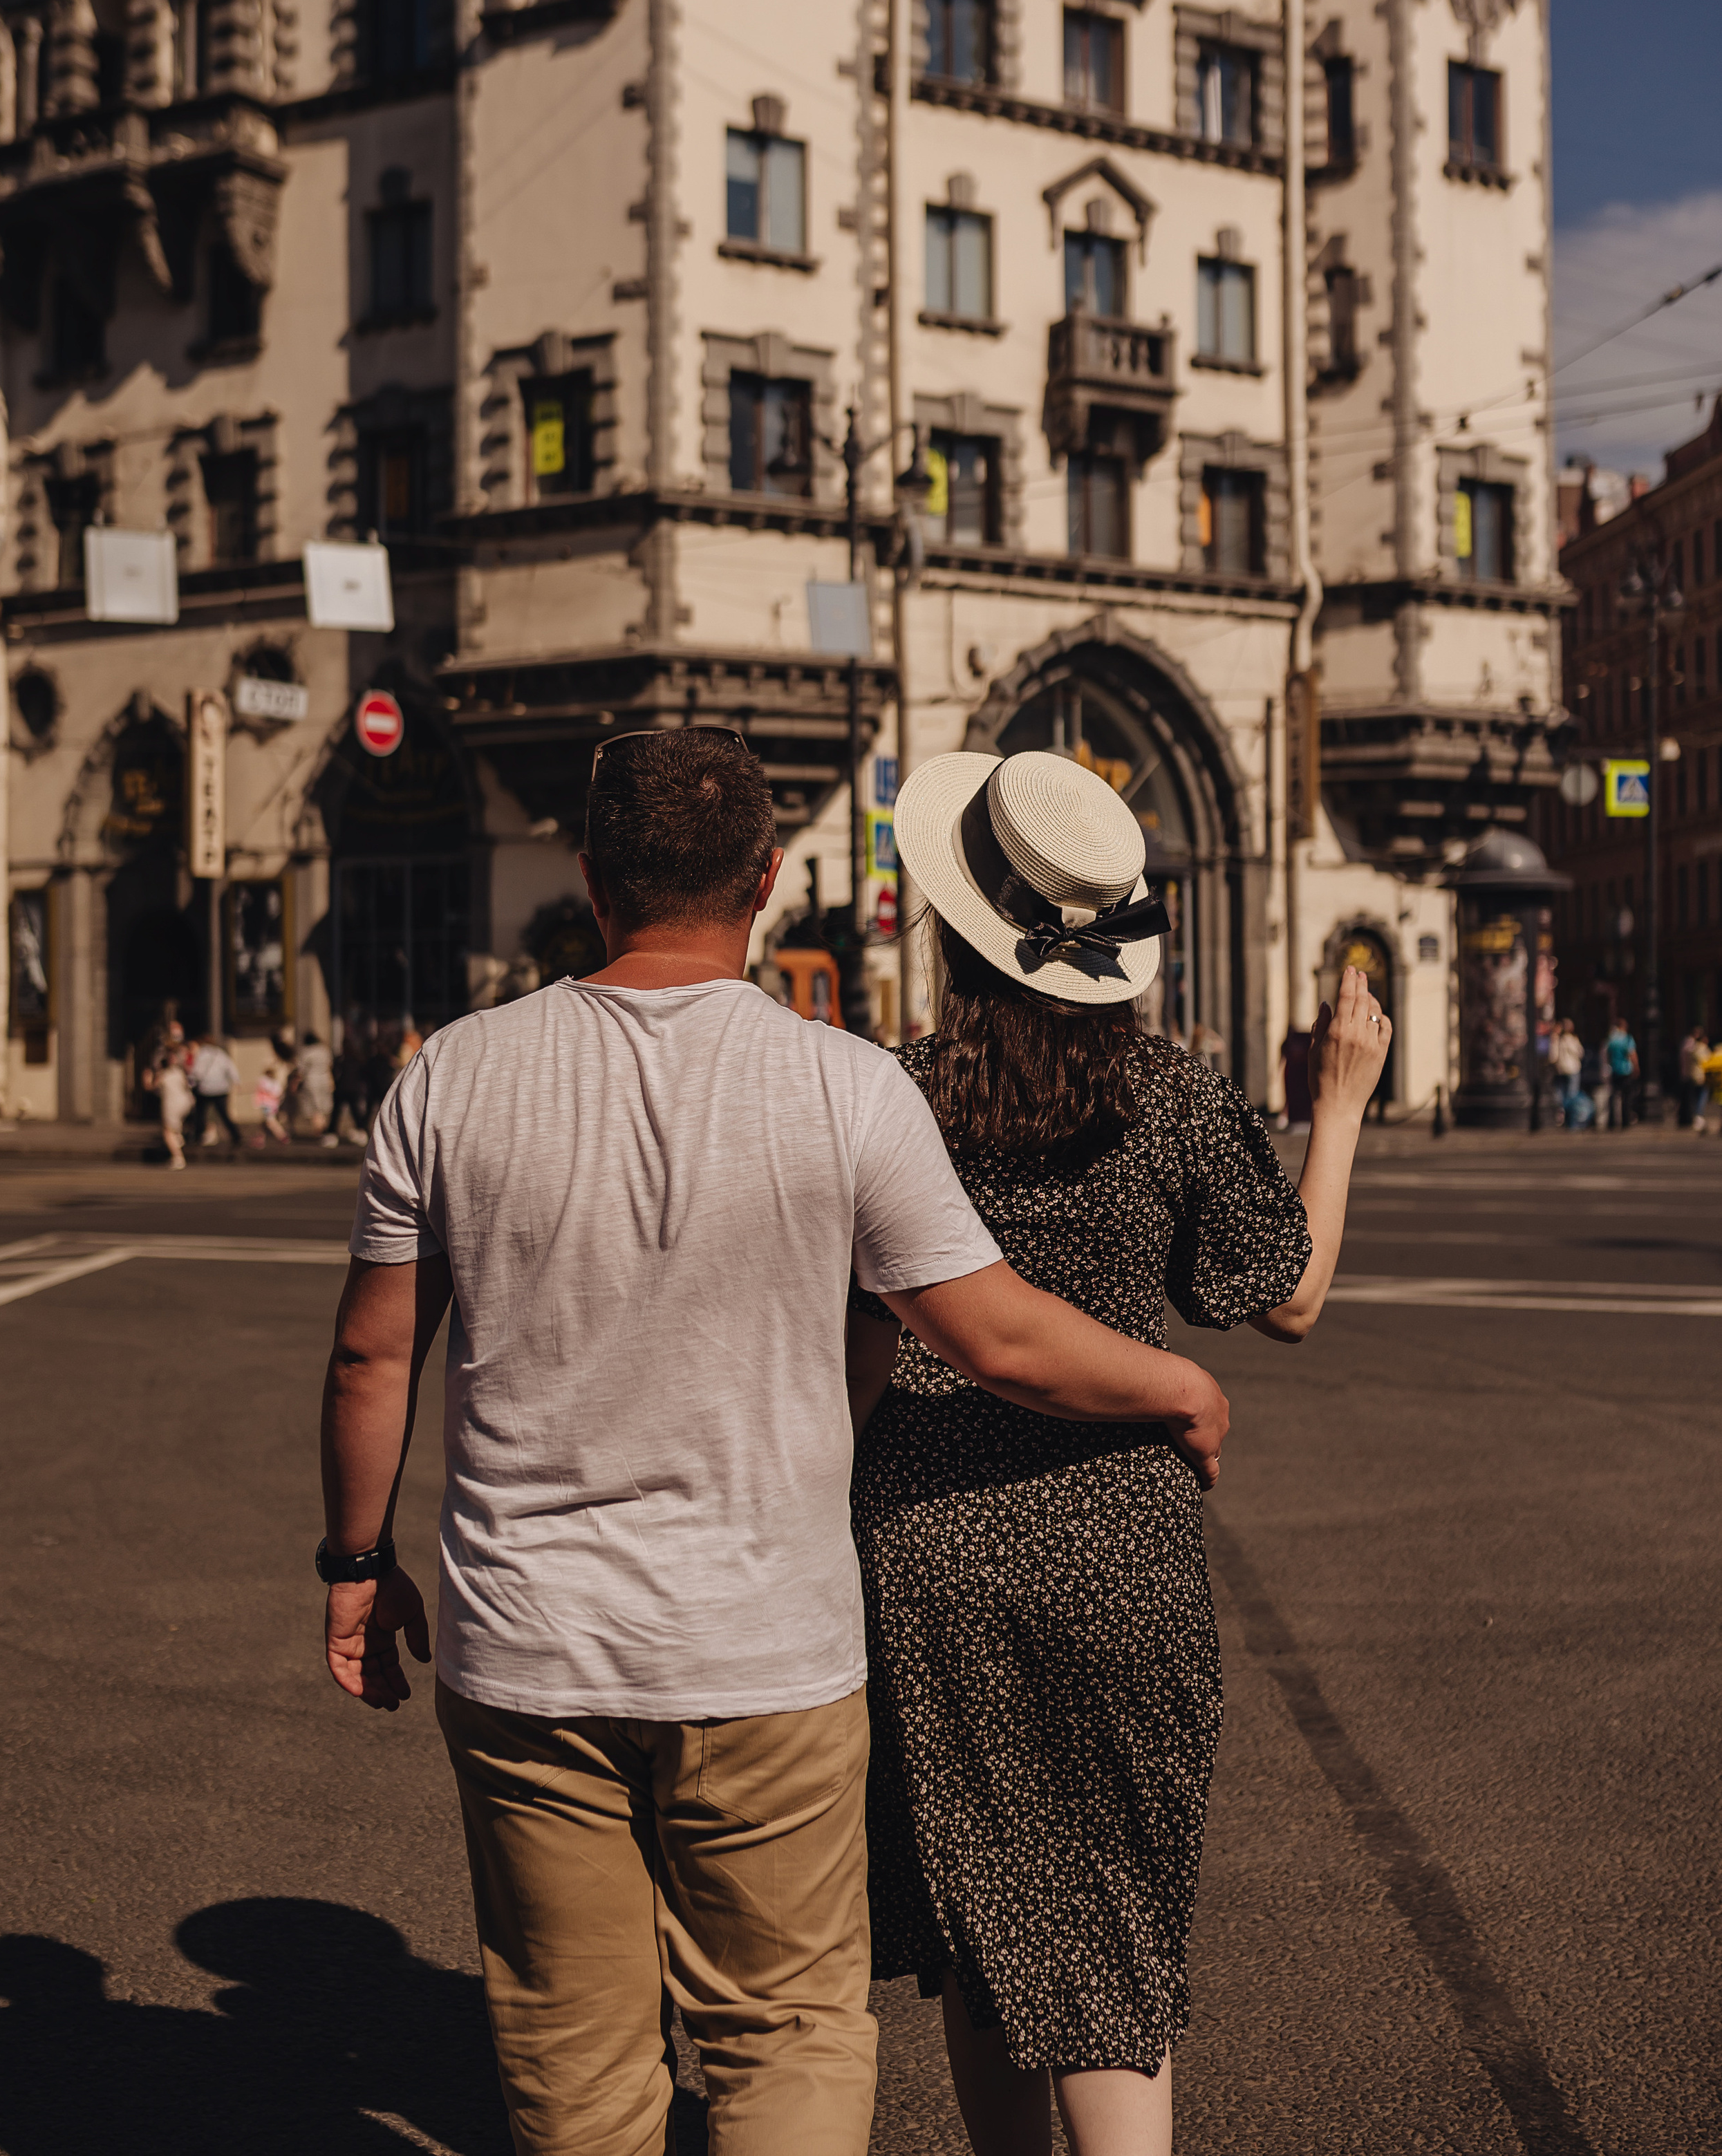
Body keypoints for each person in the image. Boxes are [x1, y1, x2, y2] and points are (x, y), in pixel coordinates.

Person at [317, 729, 1242, 2156]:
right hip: (768, 1658)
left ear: (588, 881)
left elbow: (373, 1353)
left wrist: (357, 1563)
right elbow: (986, 1333)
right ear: (763, 882)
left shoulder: (449, 1078)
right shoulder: (844, 1088)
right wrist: (1175, 1390)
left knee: (577, 2060)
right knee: (786, 2033)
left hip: (529, 1653)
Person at [850, 749, 1390, 2156]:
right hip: (1119, 1553)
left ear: (954, 924)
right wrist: (1336, 1105)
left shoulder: (889, 1098)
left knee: (983, 1914)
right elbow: (1286, 1295)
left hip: (926, 1548)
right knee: (1109, 1926)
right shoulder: (1166, 1098)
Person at [188, 1033, 241, 1150]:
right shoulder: (220, 1053)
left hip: (205, 1089)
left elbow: (198, 1072)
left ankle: (198, 1136)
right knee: (224, 1114)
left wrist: (191, 1082)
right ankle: (236, 1135)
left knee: (200, 1114)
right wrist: (237, 1081)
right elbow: (231, 1067)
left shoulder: (202, 1054)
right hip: (221, 1088)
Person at [152, 1041, 193, 1170]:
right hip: (186, 1101)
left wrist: (148, 1079)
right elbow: (188, 1084)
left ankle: (178, 1157)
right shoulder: (180, 1072)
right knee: (174, 1128)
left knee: (167, 1131)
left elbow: (153, 1087)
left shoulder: (164, 1074)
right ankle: (178, 1138)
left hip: (172, 1103)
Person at [1603, 1016, 1638, 1129]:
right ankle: (1626, 1122)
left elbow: (1607, 1054)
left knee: (1614, 1096)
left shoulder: (1612, 1039)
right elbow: (1632, 1054)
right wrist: (1636, 1067)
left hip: (1615, 1070)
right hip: (1626, 1070)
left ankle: (1612, 1122)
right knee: (1626, 1097)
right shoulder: (1627, 1039)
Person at [1552, 1018, 1586, 1130]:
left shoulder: (1559, 1040)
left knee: (1564, 1097)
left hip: (1561, 1070)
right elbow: (1580, 1053)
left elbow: (1553, 1057)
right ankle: (1573, 1122)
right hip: (1573, 1070)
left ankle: (1567, 1120)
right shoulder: (1572, 1039)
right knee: (1572, 1096)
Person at [1677, 1027, 1710, 1132]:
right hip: (1701, 1077)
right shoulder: (1701, 1049)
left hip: (1691, 1076)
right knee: (1701, 1097)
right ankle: (1698, 1116)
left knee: (1694, 1098)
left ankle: (1695, 1116)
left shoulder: (1691, 1047)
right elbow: (1707, 1061)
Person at [253, 1059, 290, 1147]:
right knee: (265, 1122)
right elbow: (280, 1094)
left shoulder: (263, 1080)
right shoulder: (275, 1082)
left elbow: (261, 1092)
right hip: (273, 1105)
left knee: (271, 1122)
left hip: (267, 1105)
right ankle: (260, 1138)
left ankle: (283, 1136)